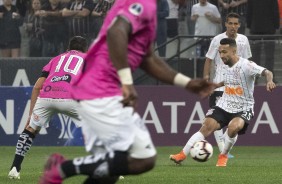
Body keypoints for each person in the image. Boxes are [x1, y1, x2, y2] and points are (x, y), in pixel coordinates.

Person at [38, 0, 218, 184]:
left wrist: (186, 83)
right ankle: (63, 168)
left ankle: (63, 168)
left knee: (110, 171)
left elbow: (148, 59)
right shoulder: (142, 4)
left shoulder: (149, 13)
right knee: (142, 158)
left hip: (98, 90)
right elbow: (116, 32)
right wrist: (126, 81)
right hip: (99, 89)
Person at [170, 38, 276, 167]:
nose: (221, 55)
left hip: (243, 107)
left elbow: (267, 72)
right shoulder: (226, 67)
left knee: (233, 128)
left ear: (234, 51)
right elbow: (228, 81)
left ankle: (223, 155)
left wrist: (269, 81)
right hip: (224, 104)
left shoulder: (247, 65)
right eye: (220, 52)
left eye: (224, 52)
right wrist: (214, 86)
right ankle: (181, 155)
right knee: (207, 126)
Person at [170, 13, 251, 163]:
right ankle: (194, 153)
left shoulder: (243, 40)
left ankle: (224, 151)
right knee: (211, 124)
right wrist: (206, 79)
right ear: (225, 24)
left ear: (239, 26)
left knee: (234, 125)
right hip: (219, 87)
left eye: (236, 24)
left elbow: (247, 62)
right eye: (230, 23)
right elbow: (209, 59)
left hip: (238, 90)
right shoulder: (217, 40)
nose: (233, 26)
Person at [8, 36, 88, 180]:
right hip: (70, 98)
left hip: (46, 97)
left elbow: (38, 86)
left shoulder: (55, 59)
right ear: (85, 49)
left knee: (31, 129)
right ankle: (112, 169)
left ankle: (15, 167)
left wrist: (31, 114)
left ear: (68, 49)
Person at [247, 0, 280, 76]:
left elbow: (249, 11)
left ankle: (255, 78)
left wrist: (249, 24)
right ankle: (270, 77)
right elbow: (275, 11)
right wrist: (276, 25)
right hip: (269, 28)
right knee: (269, 56)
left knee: (255, 56)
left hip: (255, 27)